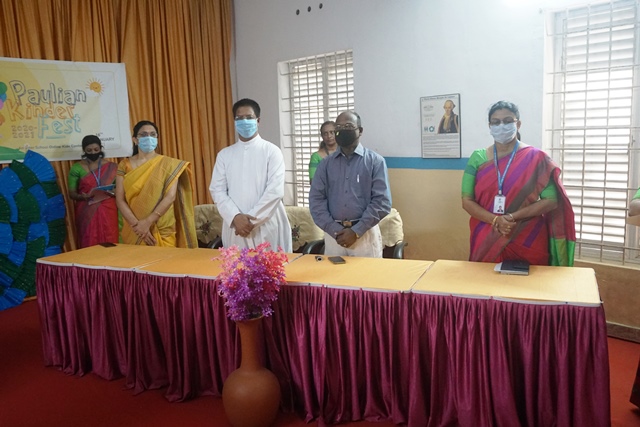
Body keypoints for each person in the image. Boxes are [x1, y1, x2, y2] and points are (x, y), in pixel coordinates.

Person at [461, 101, 575, 266]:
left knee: (530, 281)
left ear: (518, 124)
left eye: (508, 121)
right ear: (489, 126)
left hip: (528, 236)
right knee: (485, 279)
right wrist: (495, 220)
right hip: (486, 234)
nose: (501, 126)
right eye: (496, 122)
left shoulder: (537, 158)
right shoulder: (477, 158)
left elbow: (551, 200)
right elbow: (466, 201)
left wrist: (511, 217)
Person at [209, 98, 292, 252]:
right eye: (239, 118)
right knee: (237, 265)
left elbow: (275, 191)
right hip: (235, 226)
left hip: (266, 224)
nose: (244, 121)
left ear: (258, 120)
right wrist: (235, 217)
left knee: (270, 265)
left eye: (249, 117)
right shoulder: (224, 155)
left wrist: (251, 220)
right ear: (234, 121)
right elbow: (217, 190)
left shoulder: (272, 151)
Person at [309, 110, 392, 258]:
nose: (342, 130)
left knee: (366, 274)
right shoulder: (325, 165)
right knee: (333, 273)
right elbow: (316, 200)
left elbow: (382, 202)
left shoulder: (375, 162)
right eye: (338, 127)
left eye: (348, 126)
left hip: (365, 235)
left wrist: (356, 231)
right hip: (334, 236)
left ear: (360, 131)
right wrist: (335, 230)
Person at [115, 120, 197, 247]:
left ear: (157, 139)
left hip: (162, 226)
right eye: (143, 134)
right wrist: (137, 226)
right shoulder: (124, 165)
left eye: (153, 134)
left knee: (165, 260)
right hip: (134, 229)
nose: (149, 137)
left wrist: (147, 222)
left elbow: (170, 197)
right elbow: (120, 199)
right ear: (135, 140)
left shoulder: (168, 165)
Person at [68, 135, 118, 248]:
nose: (93, 152)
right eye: (89, 150)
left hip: (108, 208)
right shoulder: (76, 168)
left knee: (111, 237)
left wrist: (114, 191)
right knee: (89, 239)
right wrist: (82, 197)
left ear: (101, 148)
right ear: (84, 150)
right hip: (87, 208)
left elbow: (120, 188)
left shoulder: (112, 167)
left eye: (96, 149)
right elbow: (71, 193)